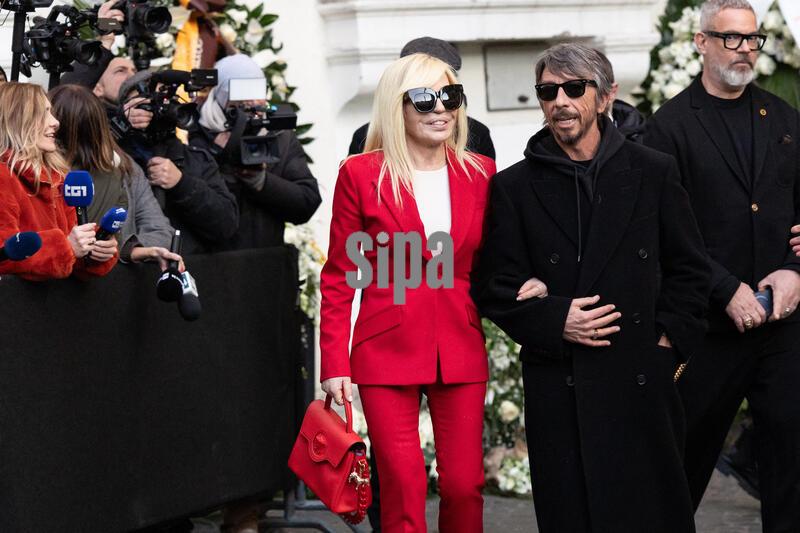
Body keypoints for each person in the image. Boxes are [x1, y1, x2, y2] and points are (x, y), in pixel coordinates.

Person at [471, 43, 711, 532]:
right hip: (560, 388)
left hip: (640, 379)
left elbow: (691, 269)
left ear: (605, 97)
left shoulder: (653, 170)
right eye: (548, 91)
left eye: (573, 88)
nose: (560, 101)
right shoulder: (514, 186)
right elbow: (494, 285)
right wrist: (555, 319)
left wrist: (666, 343)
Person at [319, 53, 496, 532]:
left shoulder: (481, 172)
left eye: (450, 97)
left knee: (464, 485)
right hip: (384, 348)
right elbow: (340, 275)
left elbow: (497, 260)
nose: (440, 109)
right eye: (424, 98)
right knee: (402, 484)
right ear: (396, 106)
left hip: (459, 344)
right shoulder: (361, 173)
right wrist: (334, 362)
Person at [643, 1, 800, 529]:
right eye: (731, 38)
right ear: (701, 42)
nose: (744, 50)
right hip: (708, 328)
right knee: (680, 468)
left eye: (752, 39)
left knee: (791, 465)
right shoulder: (668, 127)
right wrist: (724, 288)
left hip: (783, 323)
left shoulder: (784, 118)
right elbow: (664, 233)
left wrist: (795, 271)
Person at [191, 53, 321, 250]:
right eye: (242, 92)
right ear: (223, 96)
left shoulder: (280, 136)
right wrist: (222, 156)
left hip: (265, 258)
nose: (252, 102)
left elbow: (307, 202)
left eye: (257, 90)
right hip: (213, 259)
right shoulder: (198, 135)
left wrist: (262, 181)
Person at [48, 84, 181, 268]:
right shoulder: (38, 172)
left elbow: (160, 230)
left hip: (110, 279)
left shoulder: (125, 168)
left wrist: (123, 249)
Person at [0, 82, 118, 280]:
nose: (55, 122)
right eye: (43, 113)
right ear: (17, 121)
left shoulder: (57, 177)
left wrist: (95, 248)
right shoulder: (3, 177)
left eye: (51, 112)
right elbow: (5, 255)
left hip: (56, 300)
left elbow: (70, 260)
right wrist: (66, 247)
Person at [348, 37, 495, 160]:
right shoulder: (366, 136)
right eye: (424, 97)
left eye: (448, 93)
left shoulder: (477, 133)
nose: (439, 108)